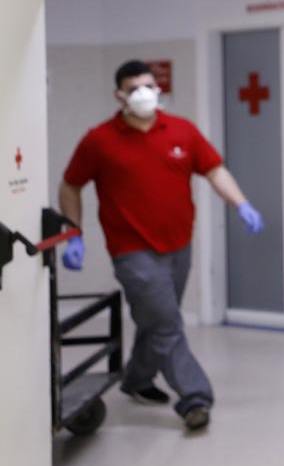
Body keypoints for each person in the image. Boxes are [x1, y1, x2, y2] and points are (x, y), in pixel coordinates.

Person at [59, 59, 265, 431]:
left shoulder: (182, 131)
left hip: (178, 246)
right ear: (119, 94)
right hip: (131, 251)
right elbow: (70, 183)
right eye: (134, 87)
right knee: (168, 323)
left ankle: (137, 379)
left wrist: (241, 203)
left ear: (158, 89)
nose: (143, 93)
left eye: (148, 86)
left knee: (155, 320)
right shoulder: (100, 140)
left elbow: (214, 169)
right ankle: (195, 398)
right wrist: (74, 232)